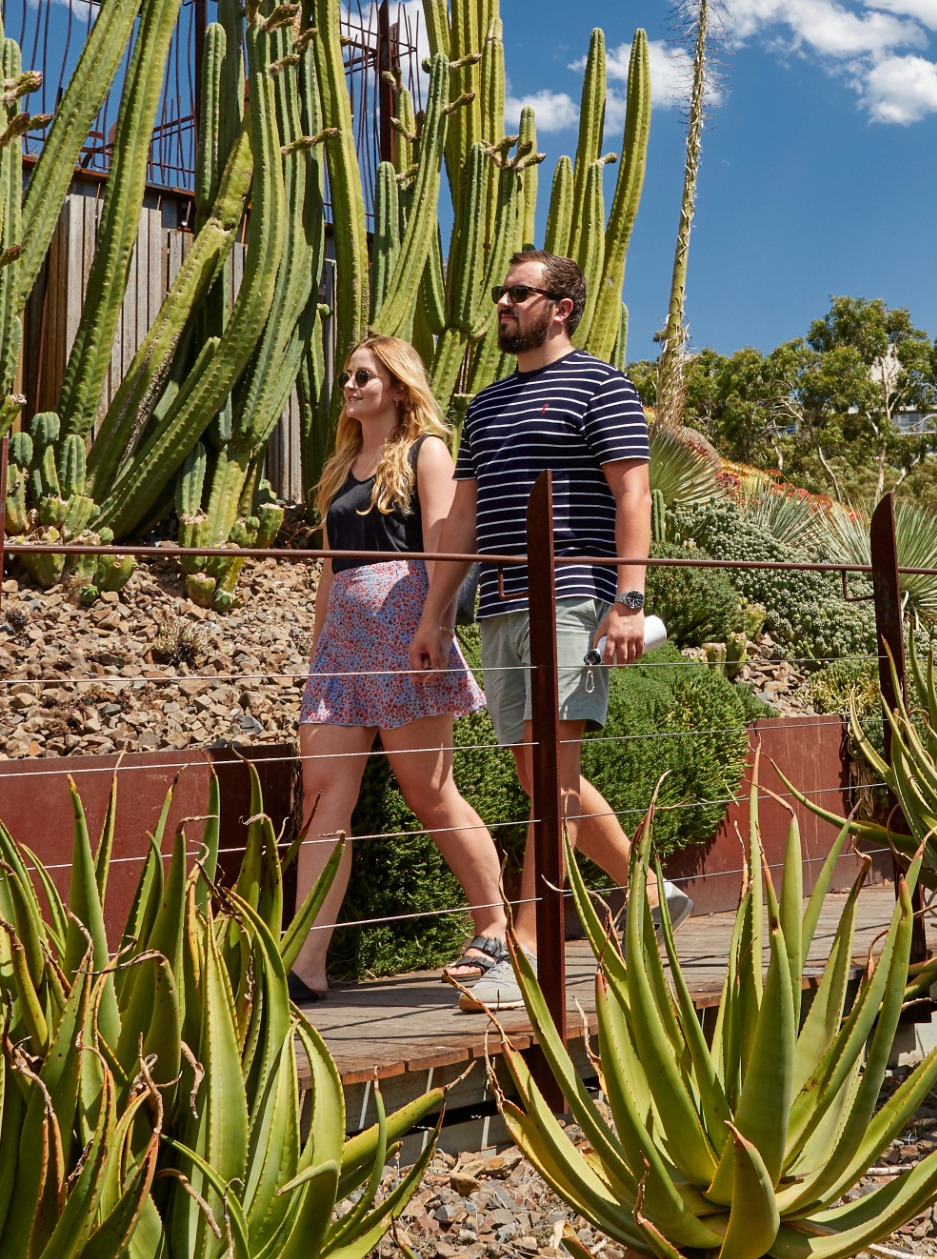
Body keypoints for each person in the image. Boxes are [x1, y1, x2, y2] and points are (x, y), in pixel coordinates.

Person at [426, 246, 688, 1011]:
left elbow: (633, 496)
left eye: (519, 292)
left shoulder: (602, 385)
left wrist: (629, 601)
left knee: (552, 774)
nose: (503, 303)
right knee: (534, 771)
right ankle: (646, 890)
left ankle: (526, 950)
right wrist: (436, 613)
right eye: (500, 291)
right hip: (502, 604)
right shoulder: (487, 406)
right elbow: (465, 518)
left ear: (561, 306)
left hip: (572, 595)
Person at [289, 335, 511, 1007]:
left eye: (366, 375)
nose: (352, 384)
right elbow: (332, 571)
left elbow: (447, 543)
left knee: (429, 791)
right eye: (349, 374)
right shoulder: (339, 467)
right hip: (343, 645)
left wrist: (433, 626)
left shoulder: (427, 453)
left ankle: (497, 929)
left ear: (398, 386)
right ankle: (306, 961)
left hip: (405, 629)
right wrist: (316, 656)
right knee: (321, 799)